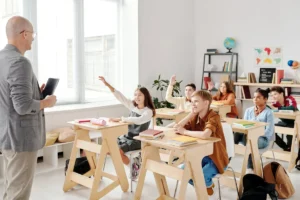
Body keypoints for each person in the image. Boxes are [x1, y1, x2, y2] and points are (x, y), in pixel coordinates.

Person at [0, 16, 57, 200]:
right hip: (21, 140)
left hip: (7, 137)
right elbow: (22, 106)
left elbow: (9, 98)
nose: (33, 38)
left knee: (11, 187)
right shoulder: (19, 62)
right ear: (24, 34)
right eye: (32, 34)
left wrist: (36, 94)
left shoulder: (2, 59)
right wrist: (46, 102)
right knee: (18, 194)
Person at [174, 90, 228, 200]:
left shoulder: (214, 117)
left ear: (206, 103)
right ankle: (206, 188)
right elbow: (177, 128)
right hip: (201, 156)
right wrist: (191, 113)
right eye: (192, 102)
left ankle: (206, 190)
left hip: (216, 158)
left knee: (202, 176)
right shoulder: (195, 116)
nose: (193, 104)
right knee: (183, 172)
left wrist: (184, 132)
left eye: (196, 102)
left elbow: (205, 135)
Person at [99, 76, 155, 180]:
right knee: (107, 147)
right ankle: (133, 165)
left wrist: (121, 119)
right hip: (127, 137)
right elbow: (119, 96)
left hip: (138, 140)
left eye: (140, 95)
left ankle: (133, 167)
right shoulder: (133, 106)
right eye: (135, 95)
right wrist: (107, 84)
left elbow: (139, 120)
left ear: (145, 96)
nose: (137, 97)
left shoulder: (148, 111)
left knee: (118, 151)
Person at [234, 88, 274, 173]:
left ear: (265, 99)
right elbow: (243, 126)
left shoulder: (269, 112)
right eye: (254, 97)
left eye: (258, 97)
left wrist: (256, 135)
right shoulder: (248, 110)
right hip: (248, 136)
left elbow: (269, 131)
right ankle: (228, 155)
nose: (255, 99)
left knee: (250, 139)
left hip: (262, 139)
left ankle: (249, 168)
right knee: (238, 133)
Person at [270, 86, 298, 151]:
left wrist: (278, 109)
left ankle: (288, 148)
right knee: (270, 130)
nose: (273, 96)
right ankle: (285, 147)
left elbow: (292, 108)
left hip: (295, 122)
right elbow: (269, 109)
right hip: (285, 122)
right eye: (272, 95)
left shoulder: (290, 99)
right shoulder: (274, 103)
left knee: (290, 134)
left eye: (275, 94)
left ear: (282, 93)